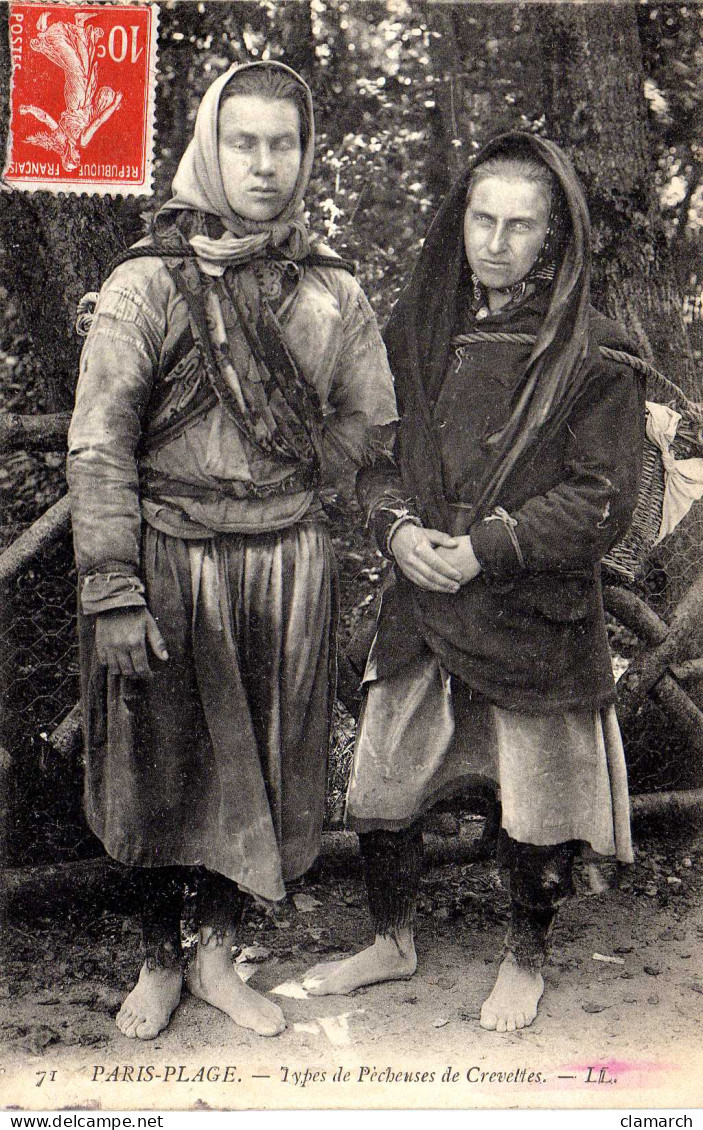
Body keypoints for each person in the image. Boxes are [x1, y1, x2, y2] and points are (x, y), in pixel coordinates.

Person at [67, 61, 397, 1041]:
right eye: (244, 141)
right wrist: (113, 587)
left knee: (253, 772)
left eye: (283, 143)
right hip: (167, 566)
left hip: (285, 570)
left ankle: (216, 952)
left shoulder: (330, 287)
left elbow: (367, 421)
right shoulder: (145, 284)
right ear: (212, 146)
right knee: (161, 771)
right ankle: (159, 959)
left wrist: (303, 480)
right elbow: (99, 439)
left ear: (305, 154)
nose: (263, 163)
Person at [303, 132, 645, 1033]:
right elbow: (373, 458)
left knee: (537, 793)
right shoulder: (414, 335)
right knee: (385, 779)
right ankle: (391, 940)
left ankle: (525, 959)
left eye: (519, 226)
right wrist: (396, 528)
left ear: (551, 239)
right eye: (482, 219)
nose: (496, 242)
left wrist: (489, 546)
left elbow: (599, 500)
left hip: (531, 606)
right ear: (460, 223)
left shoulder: (594, 354)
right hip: (422, 595)